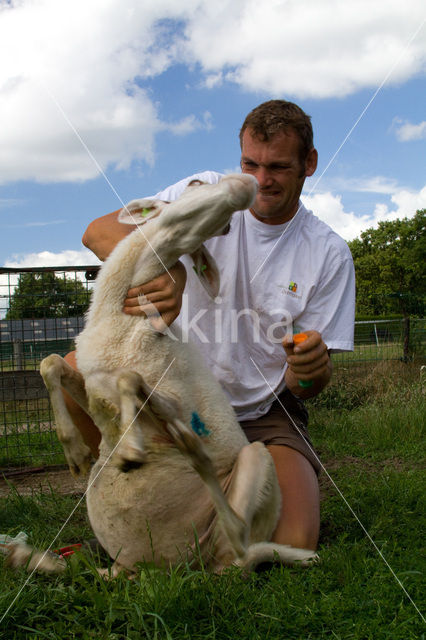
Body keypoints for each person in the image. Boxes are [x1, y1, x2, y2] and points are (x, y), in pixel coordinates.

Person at [65, 100, 355, 552]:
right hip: (175, 390)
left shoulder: (328, 252)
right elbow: (99, 231)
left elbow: (306, 388)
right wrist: (169, 269)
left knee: (297, 540)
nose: (261, 180)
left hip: (262, 412)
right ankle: (122, 504)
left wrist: (311, 367)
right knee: (73, 371)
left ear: (309, 164)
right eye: (250, 163)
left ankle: (199, 505)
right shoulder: (206, 192)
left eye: (278, 166)